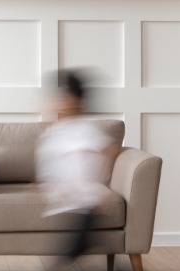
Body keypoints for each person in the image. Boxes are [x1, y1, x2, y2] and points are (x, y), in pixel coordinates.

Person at [35, 70, 118, 260]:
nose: (60, 104)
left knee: (74, 243)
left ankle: (66, 264)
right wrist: (47, 183)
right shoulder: (54, 132)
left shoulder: (83, 131)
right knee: (71, 242)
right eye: (59, 99)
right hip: (65, 198)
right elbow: (50, 163)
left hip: (82, 201)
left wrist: (104, 178)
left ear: (77, 102)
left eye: (65, 99)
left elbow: (110, 149)